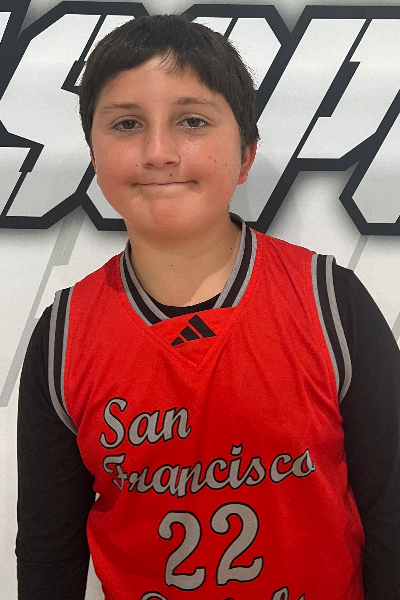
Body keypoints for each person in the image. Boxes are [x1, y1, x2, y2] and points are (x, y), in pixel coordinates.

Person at [16, 14, 400, 600]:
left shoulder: (331, 303)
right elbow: (49, 549)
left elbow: (391, 514)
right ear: (94, 154)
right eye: (126, 124)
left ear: (246, 155)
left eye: (192, 121)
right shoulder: (64, 335)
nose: (158, 152)